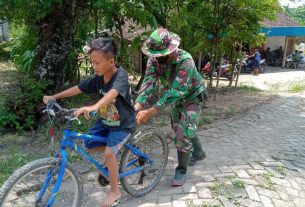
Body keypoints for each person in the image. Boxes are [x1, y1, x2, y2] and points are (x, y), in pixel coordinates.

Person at [43, 37, 135, 207]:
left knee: (109, 153)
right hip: (106, 122)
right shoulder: (98, 77)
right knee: (89, 144)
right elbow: (78, 88)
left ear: (111, 61)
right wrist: (54, 97)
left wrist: (94, 106)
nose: (94, 66)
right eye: (92, 62)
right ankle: (113, 156)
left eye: (97, 63)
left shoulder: (120, 76)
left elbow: (112, 94)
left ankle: (115, 191)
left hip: (123, 124)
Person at [134, 28, 207, 186]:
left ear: (171, 50)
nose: (158, 58)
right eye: (155, 54)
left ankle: (181, 170)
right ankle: (199, 152)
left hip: (192, 96)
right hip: (177, 97)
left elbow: (178, 90)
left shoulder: (185, 60)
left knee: (183, 132)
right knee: (178, 127)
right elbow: (148, 84)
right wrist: (137, 106)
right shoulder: (153, 60)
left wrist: (151, 111)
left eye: (161, 55)